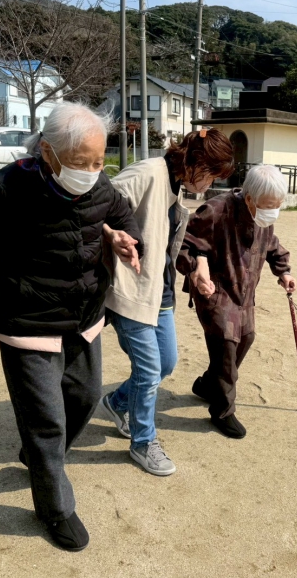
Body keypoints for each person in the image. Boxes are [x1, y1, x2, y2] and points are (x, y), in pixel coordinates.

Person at [0, 103, 143, 552]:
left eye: (99, 161)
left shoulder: (99, 183)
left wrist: (124, 237)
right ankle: (55, 508)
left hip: (84, 317)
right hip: (27, 323)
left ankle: (38, 456)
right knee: (46, 422)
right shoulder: (7, 188)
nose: (92, 171)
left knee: (85, 397)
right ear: (47, 152)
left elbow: (121, 213)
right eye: (82, 162)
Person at [100, 128, 235, 474]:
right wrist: (112, 235)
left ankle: (117, 402)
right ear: (196, 162)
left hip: (160, 291)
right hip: (131, 290)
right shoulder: (148, 172)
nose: (210, 185)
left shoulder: (177, 186)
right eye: (211, 175)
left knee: (165, 364)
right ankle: (143, 442)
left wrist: (198, 267)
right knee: (148, 372)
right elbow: (97, 203)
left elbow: (177, 242)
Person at [176, 164, 296, 439]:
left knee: (246, 337)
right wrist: (195, 267)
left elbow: (272, 246)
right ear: (250, 198)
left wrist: (284, 272)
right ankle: (222, 410)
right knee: (226, 346)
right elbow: (184, 244)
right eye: (269, 205)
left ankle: (208, 384)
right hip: (215, 290)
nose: (273, 211)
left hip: (244, 292)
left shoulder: (262, 217)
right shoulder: (215, 210)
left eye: (278, 205)